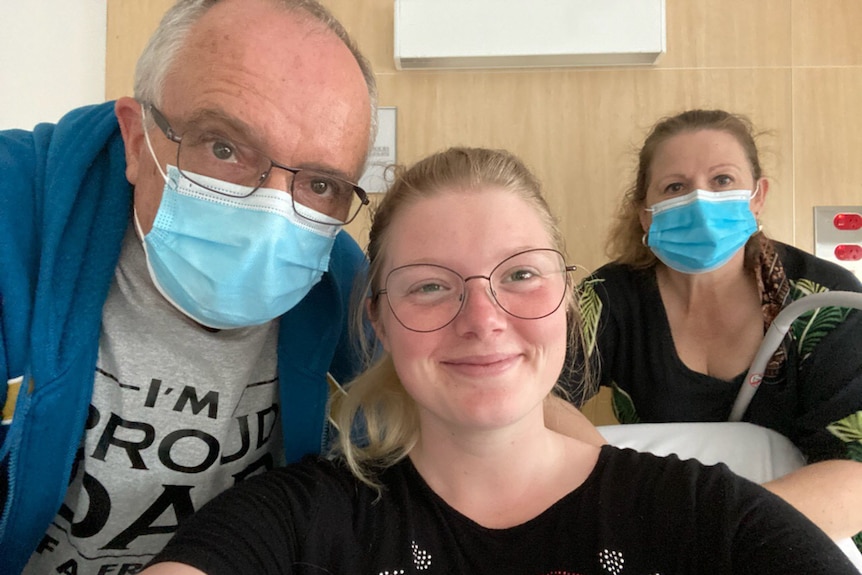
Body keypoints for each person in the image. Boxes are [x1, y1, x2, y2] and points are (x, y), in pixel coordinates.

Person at [138, 147, 858, 575]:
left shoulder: (703, 517)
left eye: (519, 275)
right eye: (429, 285)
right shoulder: (297, 526)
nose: (483, 320)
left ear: (567, 299)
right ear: (378, 320)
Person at [0, 0, 378, 573]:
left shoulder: (343, 285)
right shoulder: (14, 218)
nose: (272, 214)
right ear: (135, 139)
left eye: (321, 183)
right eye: (223, 147)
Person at [572, 109, 862, 547]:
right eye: (675, 187)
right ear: (646, 215)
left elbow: (856, 475)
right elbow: (535, 399)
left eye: (722, 180)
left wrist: (718, 530)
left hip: (802, 529)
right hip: (659, 518)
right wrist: (612, 487)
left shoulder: (822, 299)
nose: (699, 201)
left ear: (757, 196)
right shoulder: (609, 297)